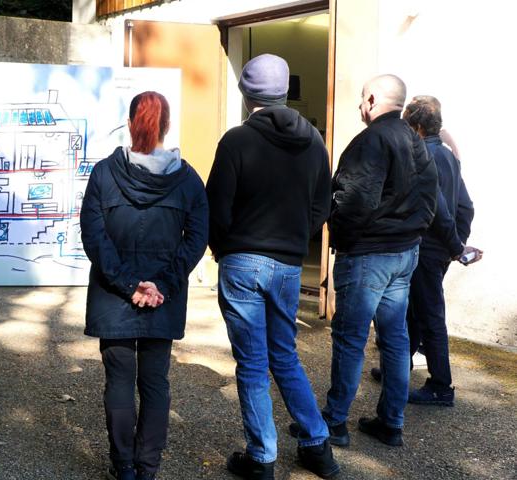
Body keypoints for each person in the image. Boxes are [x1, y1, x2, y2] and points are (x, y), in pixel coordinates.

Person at [206, 54, 339, 480]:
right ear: (286, 93)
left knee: (252, 363)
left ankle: (262, 458)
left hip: (242, 261)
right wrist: (296, 240)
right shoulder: (314, 142)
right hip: (287, 265)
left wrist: (223, 248)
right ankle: (317, 445)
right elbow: (322, 205)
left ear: (247, 94)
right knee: (284, 355)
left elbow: (216, 208)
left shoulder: (236, 141)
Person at [80, 91, 208, 480]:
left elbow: (94, 237)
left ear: (130, 123)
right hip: (161, 298)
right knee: (155, 382)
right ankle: (147, 468)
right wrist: (161, 284)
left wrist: (129, 284)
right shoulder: (187, 180)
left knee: (119, 380)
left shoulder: (104, 173)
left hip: (113, 295)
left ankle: (124, 467)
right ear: (166, 126)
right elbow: (196, 240)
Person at [319, 74, 437, 448]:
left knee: (350, 338)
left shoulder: (371, 141)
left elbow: (353, 201)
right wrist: (412, 233)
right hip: (403, 253)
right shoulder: (415, 141)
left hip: (369, 255)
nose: (359, 105)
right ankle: (391, 422)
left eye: (361, 98)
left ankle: (334, 422)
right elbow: (430, 199)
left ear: (371, 100)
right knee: (395, 338)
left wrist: (343, 241)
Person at [401, 95, 481, 405]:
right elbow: (466, 206)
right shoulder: (448, 156)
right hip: (440, 249)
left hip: (427, 247)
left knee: (429, 315)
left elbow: (440, 210)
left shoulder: (423, 157)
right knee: (414, 309)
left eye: (407, 124)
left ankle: (440, 386)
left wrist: (455, 246)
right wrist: (456, 245)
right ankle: (401, 365)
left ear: (417, 127)